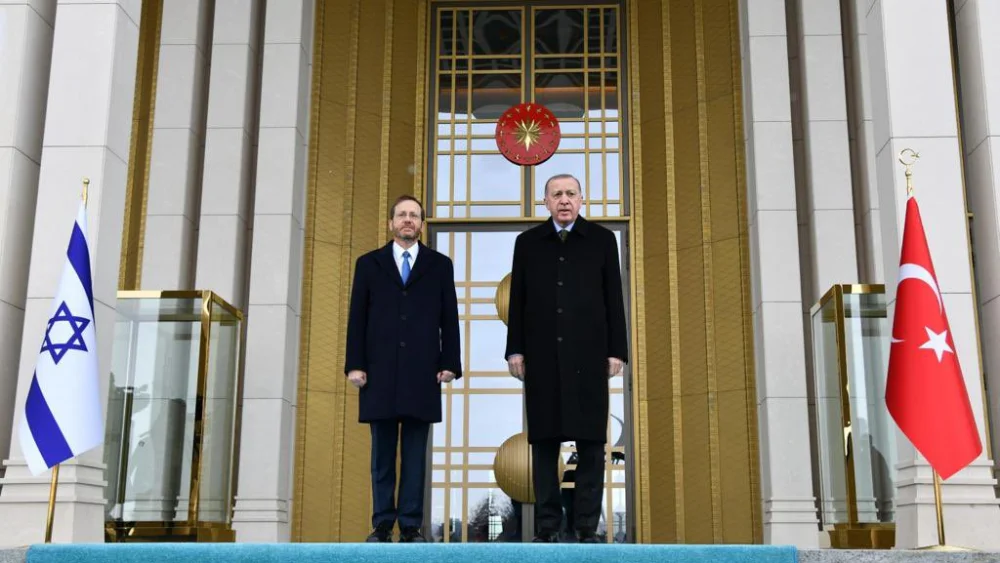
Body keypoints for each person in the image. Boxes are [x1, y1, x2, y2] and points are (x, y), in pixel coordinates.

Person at [504, 174, 628, 543]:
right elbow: (519, 301)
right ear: (545, 202)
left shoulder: (603, 241)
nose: (563, 200)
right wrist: (515, 349)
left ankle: (587, 527)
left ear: (581, 200)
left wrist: (617, 351)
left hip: (589, 357)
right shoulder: (527, 243)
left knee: (590, 443)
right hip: (542, 357)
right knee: (544, 443)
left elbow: (614, 300)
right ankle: (547, 527)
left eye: (570, 194)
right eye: (556, 194)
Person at [345, 195, 462, 543]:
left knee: (414, 454)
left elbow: (449, 319)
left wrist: (450, 362)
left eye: (414, 216)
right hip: (378, 372)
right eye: (402, 215)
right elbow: (357, 318)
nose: (408, 220)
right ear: (391, 223)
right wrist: (355, 365)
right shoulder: (368, 264)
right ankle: (382, 524)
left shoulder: (440, 265)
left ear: (422, 225)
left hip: (422, 371)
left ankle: (411, 525)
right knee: (381, 454)